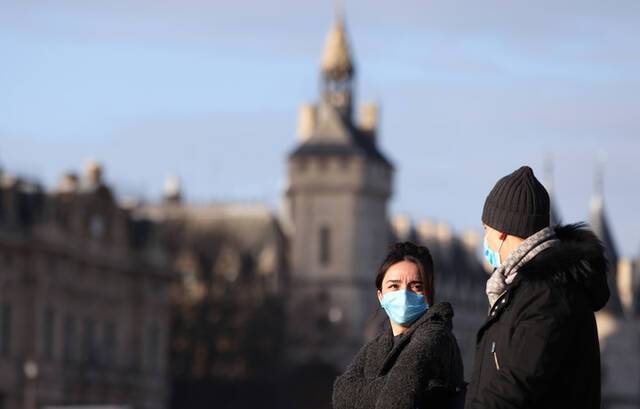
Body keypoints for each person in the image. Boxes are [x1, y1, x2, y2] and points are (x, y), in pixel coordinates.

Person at [465, 166, 609, 409]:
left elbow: (519, 382)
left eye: (486, 229)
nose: (485, 238)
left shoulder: (547, 292)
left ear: (501, 233)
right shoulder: (526, 289)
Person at [333, 242, 465, 409]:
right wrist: (397, 384)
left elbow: (399, 391)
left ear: (429, 294)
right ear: (380, 296)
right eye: (394, 286)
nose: (404, 294)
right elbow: (341, 393)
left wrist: (366, 390)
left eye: (416, 286)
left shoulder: (434, 335)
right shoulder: (376, 345)